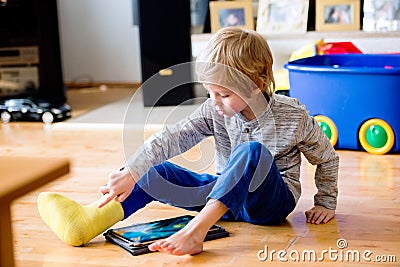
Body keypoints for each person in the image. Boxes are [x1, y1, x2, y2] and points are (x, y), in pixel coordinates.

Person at [37, 27, 339, 256]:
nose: (215, 102)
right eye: (210, 92)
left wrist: (325, 201)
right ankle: (88, 220)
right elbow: (173, 138)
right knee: (157, 171)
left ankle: (197, 231)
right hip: (223, 198)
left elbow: (327, 157)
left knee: (253, 152)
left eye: (224, 95)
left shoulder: (293, 115)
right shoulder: (213, 111)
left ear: (256, 85)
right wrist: (131, 170)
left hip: (269, 206)